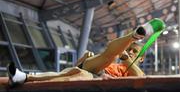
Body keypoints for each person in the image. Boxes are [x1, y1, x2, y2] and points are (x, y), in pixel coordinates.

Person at [7, 18, 165, 86]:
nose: (129, 52)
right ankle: (135, 35)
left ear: (142, 58)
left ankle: (24, 78)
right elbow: (75, 67)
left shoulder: (133, 70)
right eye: (129, 48)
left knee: (78, 73)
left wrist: (125, 58)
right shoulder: (114, 59)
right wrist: (83, 59)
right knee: (100, 59)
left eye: (134, 51)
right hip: (96, 67)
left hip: (94, 76)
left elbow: (139, 77)